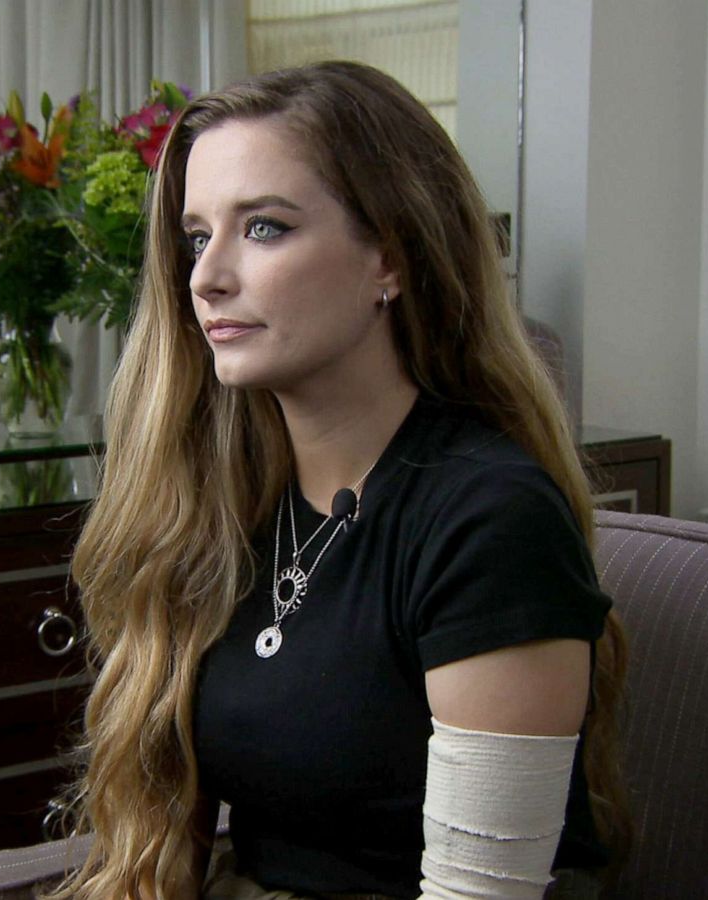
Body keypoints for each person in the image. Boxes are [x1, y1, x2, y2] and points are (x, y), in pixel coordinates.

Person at [62, 60, 629, 899]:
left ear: (388, 262)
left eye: (264, 228)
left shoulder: (489, 521)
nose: (207, 276)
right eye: (195, 235)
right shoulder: (234, 504)